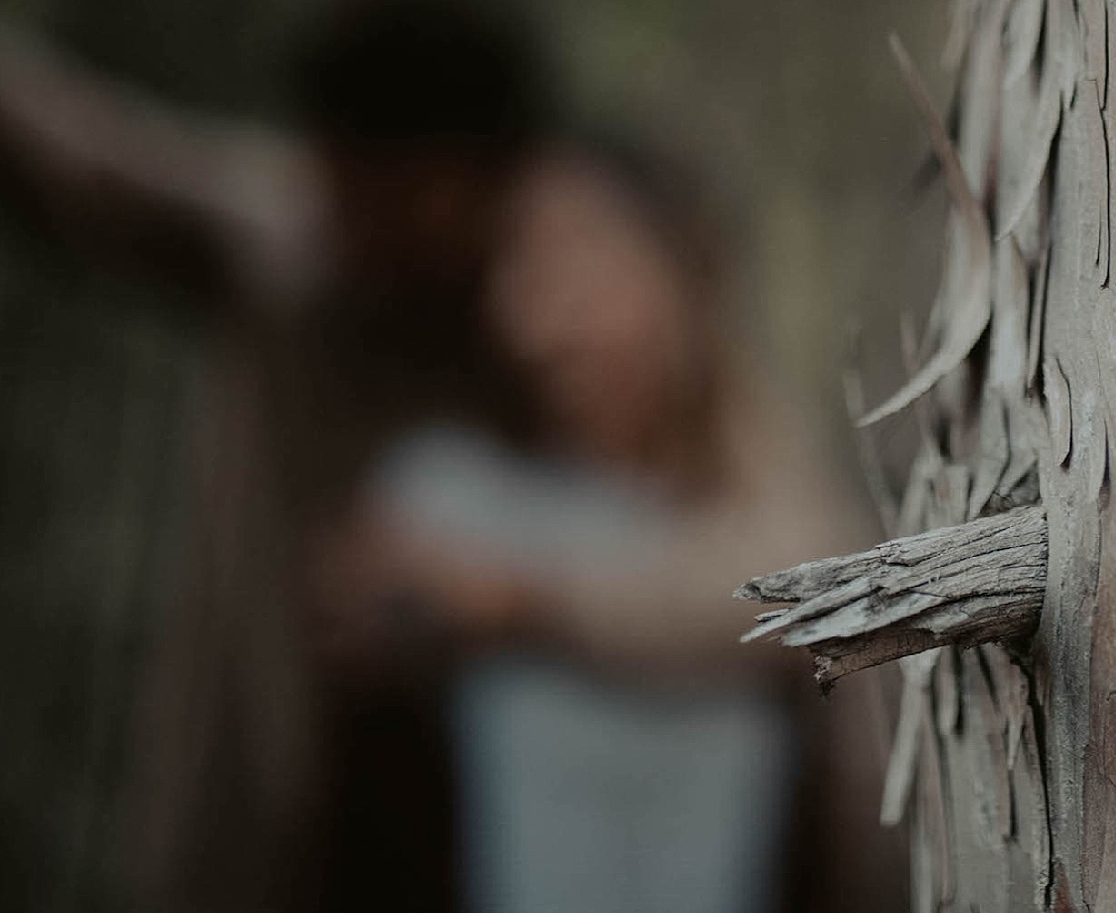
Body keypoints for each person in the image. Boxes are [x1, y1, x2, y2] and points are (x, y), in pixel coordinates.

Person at [0, 0, 551, 908]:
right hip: (242, 847)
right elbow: (64, 155)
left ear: (489, 183)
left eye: (393, 196)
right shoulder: (280, 249)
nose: (352, 223)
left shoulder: (570, 338)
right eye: (337, 185)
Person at [311, 139, 868, 909]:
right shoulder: (460, 494)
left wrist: (522, 602)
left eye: (581, 256)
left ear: (684, 270)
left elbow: (819, 586)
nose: (543, 313)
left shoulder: (755, 516)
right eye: (520, 266)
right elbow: (356, 606)